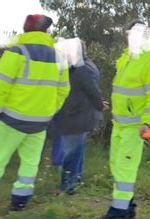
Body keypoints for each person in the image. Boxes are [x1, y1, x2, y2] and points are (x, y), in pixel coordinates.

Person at [0, 14, 70, 211]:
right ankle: (20, 202)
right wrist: (49, 111)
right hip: (40, 123)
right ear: (46, 32)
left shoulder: (16, 52)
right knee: (30, 164)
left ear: (26, 30)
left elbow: (0, 86)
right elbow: (63, 90)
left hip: (10, 119)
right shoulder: (59, 57)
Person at [97, 20, 150, 219]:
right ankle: (126, 209)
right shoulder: (126, 56)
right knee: (117, 168)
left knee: (124, 173)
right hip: (119, 124)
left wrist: (148, 121)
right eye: (131, 33)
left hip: (135, 127)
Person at [53, 38, 108, 195]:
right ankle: (75, 180)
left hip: (77, 116)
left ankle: (67, 187)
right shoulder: (85, 65)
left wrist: (99, 104)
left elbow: (92, 90)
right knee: (77, 151)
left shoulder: (81, 68)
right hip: (81, 115)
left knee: (70, 153)